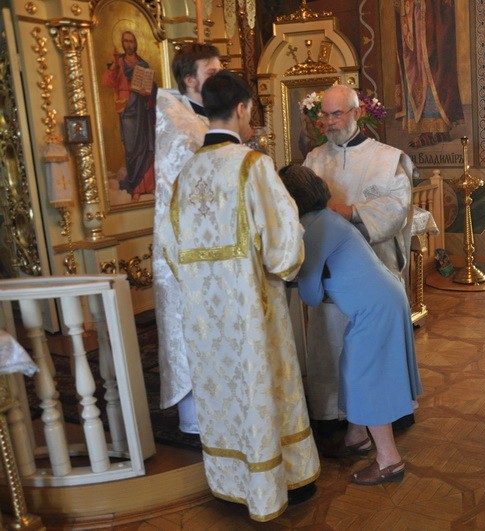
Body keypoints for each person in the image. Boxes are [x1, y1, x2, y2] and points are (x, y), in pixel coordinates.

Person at [156, 71, 319, 520]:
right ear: (244, 108)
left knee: (223, 392)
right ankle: (279, 485)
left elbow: (168, 247)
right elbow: (284, 243)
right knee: (264, 387)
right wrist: (281, 269)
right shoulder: (252, 165)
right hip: (253, 311)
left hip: (205, 320)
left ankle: (231, 484)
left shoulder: (185, 174)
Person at [280, 165, 422, 486]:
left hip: (375, 308)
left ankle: (390, 461)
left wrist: (289, 279)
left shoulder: (313, 229)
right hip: (385, 299)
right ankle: (356, 438)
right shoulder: (325, 218)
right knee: (352, 367)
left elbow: (312, 296)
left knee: (365, 379)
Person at [302, 84, 416, 448]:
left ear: (356, 114)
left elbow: (397, 208)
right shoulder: (313, 159)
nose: (330, 122)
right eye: (325, 115)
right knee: (329, 344)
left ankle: (380, 419)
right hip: (328, 276)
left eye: (337, 114)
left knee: (371, 353)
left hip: (372, 270)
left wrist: (349, 212)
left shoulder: (387, 157)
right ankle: (334, 416)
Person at [152, 42, 221, 435]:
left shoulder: (206, 115)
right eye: (211, 73)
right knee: (189, 323)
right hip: (186, 246)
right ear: (190, 80)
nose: (221, 77)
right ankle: (194, 416)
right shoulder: (178, 123)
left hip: (215, 242)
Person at [394, 0, 464, 148]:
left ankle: (442, 129)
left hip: (432, 27)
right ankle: (425, 132)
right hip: (412, 26)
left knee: (436, 74)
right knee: (415, 75)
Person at [102, 31, 157, 201]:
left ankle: (148, 186)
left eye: (132, 41)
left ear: (136, 43)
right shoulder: (118, 63)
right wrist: (113, 67)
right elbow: (107, 82)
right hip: (127, 108)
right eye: (126, 41)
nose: (129, 45)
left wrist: (147, 92)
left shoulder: (143, 64)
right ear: (122, 43)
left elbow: (152, 89)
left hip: (142, 108)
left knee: (146, 146)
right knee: (132, 148)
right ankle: (135, 187)